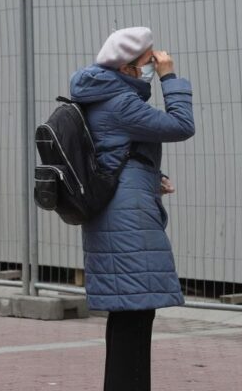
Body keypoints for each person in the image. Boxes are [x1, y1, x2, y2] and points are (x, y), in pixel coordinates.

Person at [69, 26, 195, 391]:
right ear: (126, 68)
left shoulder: (102, 97)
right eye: (147, 62)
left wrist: (151, 175)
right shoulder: (121, 102)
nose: (151, 68)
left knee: (129, 316)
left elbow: (114, 152)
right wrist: (171, 76)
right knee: (135, 317)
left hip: (117, 215)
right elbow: (181, 125)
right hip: (126, 223)